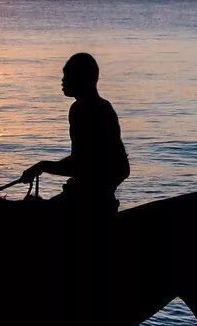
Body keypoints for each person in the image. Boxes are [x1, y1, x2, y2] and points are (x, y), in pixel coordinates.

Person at [21, 53, 129, 217]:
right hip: (101, 198)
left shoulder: (81, 110)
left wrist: (42, 166)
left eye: (67, 76)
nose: (62, 81)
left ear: (81, 79)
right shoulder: (105, 107)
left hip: (87, 203)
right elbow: (119, 167)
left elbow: (81, 165)